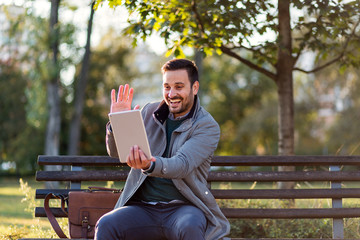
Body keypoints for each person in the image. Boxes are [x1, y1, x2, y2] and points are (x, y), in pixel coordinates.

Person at [95, 58, 230, 240]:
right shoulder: (148, 112)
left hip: (184, 209)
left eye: (179, 86)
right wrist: (116, 125)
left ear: (195, 87)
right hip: (142, 208)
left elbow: (181, 165)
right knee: (106, 224)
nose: (171, 94)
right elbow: (117, 152)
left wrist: (149, 164)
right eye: (167, 87)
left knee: (190, 226)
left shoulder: (206, 126)